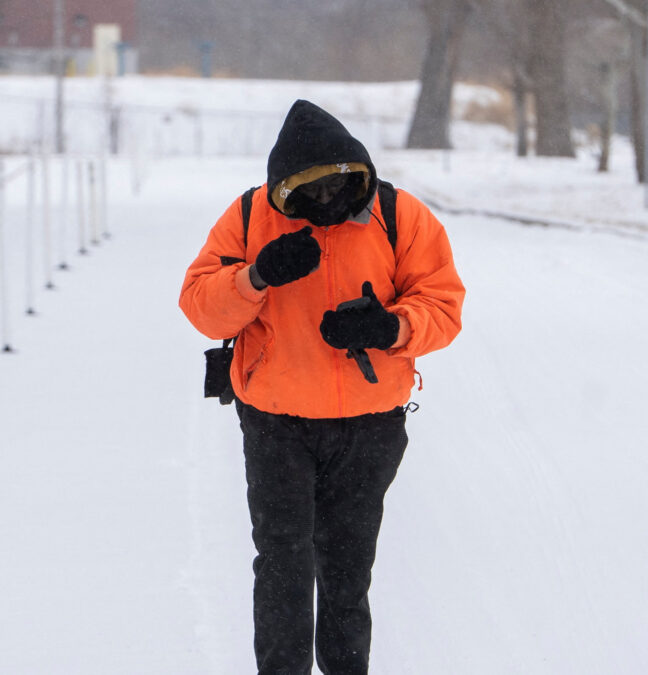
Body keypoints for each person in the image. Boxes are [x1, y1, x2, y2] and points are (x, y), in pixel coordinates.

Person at [179, 99, 465, 675]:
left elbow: (442, 305)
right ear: (284, 190)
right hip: (275, 425)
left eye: (339, 186)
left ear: (359, 174)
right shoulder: (248, 217)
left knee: (346, 571)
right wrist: (256, 275)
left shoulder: (401, 215)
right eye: (311, 192)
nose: (329, 201)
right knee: (283, 565)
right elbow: (201, 307)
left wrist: (388, 327)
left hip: (370, 427)